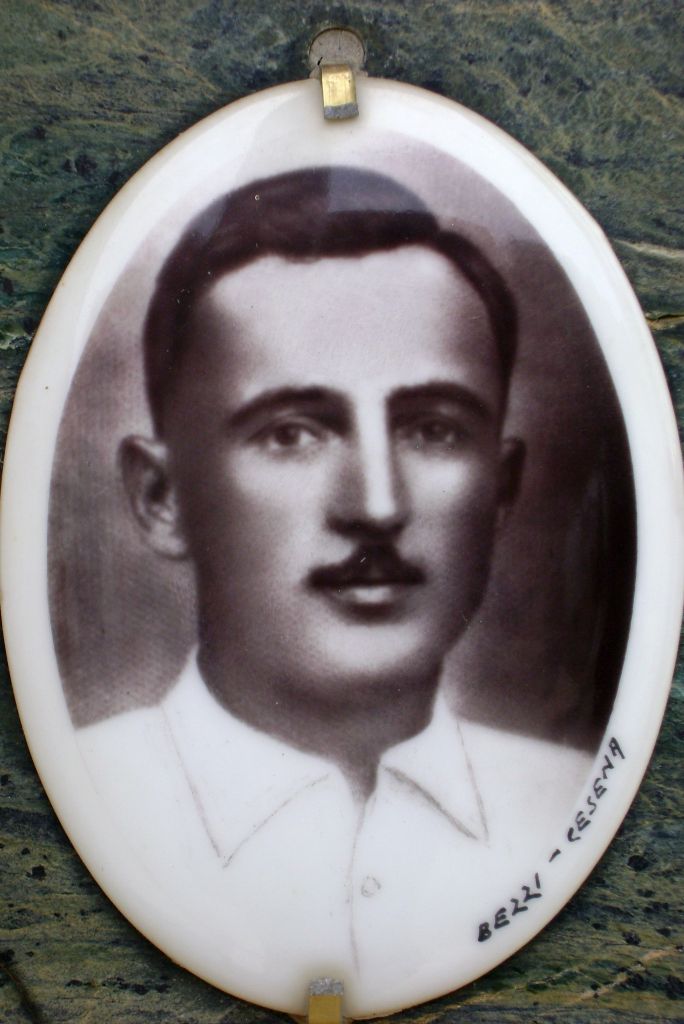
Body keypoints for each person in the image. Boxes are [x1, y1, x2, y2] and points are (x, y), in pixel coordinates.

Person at [78, 166, 591, 1012]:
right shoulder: (88, 797)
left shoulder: (568, 800)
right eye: (291, 433)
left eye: (433, 429)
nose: (377, 506)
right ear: (161, 499)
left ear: (500, 492)